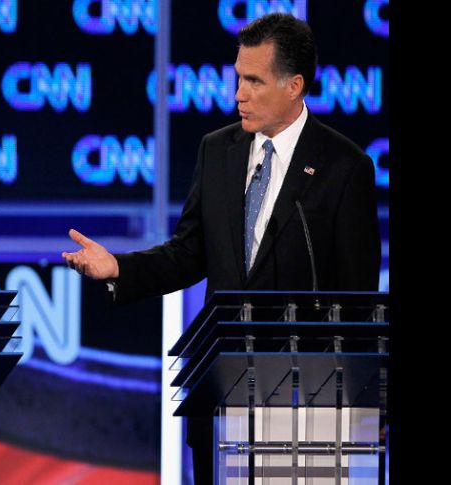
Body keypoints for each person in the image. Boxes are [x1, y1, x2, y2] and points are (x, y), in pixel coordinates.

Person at [62, 13, 381, 484]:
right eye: (237, 78)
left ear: (294, 86)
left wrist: (361, 402)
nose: (238, 94)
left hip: (304, 401)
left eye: (254, 80)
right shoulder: (219, 150)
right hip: (221, 392)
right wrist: (118, 269)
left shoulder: (343, 166)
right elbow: (189, 253)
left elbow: (357, 300)